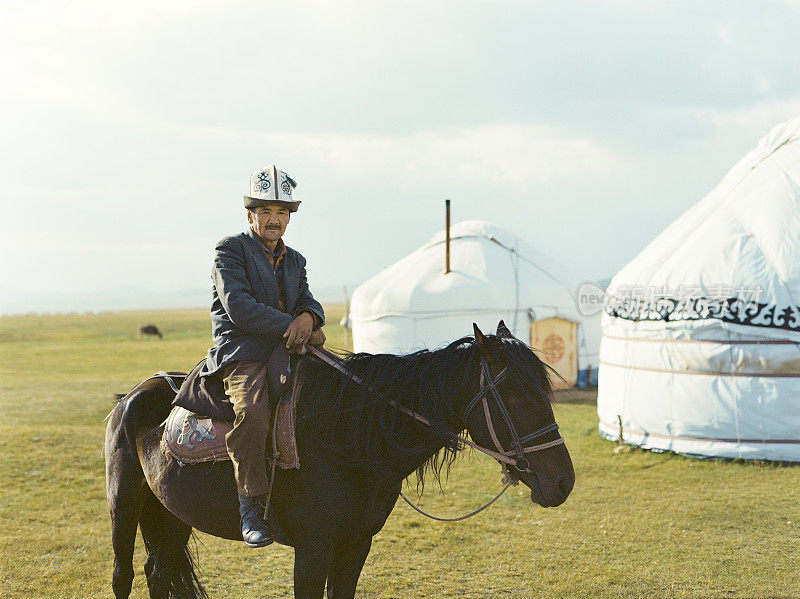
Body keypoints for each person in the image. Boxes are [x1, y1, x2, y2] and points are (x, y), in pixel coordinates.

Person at [199, 164, 325, 547]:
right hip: (244, 350)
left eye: (282, 213)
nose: (275, 220)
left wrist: (308, 316)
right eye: (266, 212)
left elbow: (307, 299)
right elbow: (240, 307)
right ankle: (251, 505)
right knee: (253, 411)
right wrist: (296, 326)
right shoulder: (230, 250)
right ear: (250, 214)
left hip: (288, 347)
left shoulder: (295, 259)